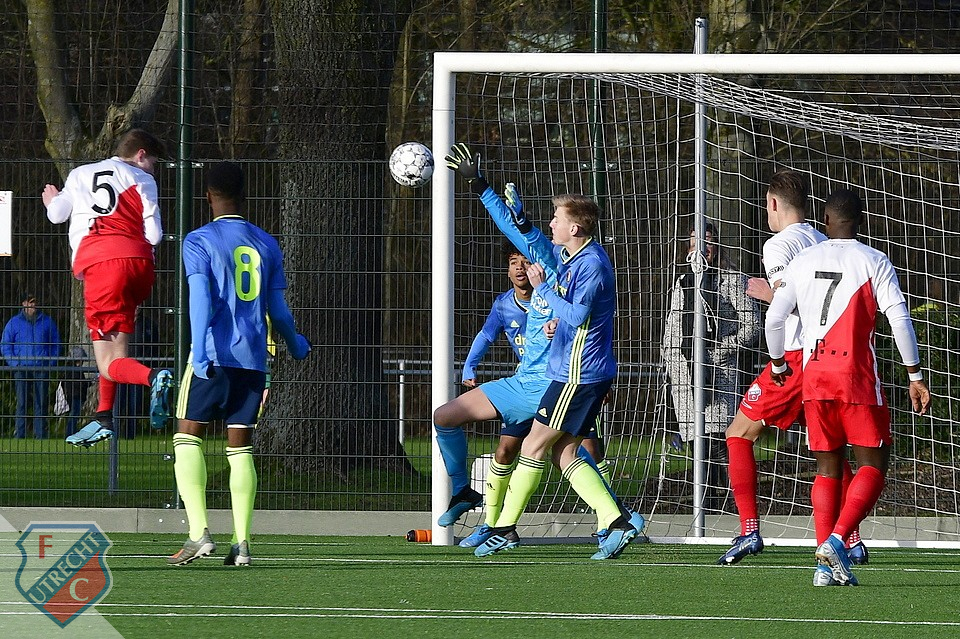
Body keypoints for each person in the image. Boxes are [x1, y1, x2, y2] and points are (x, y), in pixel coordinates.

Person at [445, 144, 640, 560]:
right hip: (568, 372)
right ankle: (617, 520)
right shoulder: (569, 257)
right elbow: (524, 236)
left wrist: (545, 294)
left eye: (557, 218)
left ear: (575, 228)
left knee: (533, 447)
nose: (550, 223)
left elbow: (578, 311)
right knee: (562, 452)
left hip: (575, 374)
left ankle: (502, 527)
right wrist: (483, 189)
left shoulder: (587, 264)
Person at [765, 188, 931, 586]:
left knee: (827, 469)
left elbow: (774, 318)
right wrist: (914, 375)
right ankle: (838, 542)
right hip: (856, 377)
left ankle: (824, 568)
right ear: (861, 221)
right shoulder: (873, 260)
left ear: (824, 221)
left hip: (814, 376)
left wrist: (777, 363)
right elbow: (899, 319)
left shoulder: (803, 260)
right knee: (873, 465)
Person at [167, 161, 310, 567]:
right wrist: (295, 343)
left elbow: (199, 298)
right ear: (244, 196)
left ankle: (199, 534)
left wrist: (199, 350)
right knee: (240, 444)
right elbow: (278, 310)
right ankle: (242, 543)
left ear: (208, 196)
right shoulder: (266, 242)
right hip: (252, 360)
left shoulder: (199, 240)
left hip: (213, 354)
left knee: (187, 435)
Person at [717, 168, 857, 565]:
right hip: (827, 356)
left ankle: (749, 531)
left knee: (737, 434)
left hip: (794, 358)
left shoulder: (778, 245)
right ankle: (851, 538)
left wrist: (768, 294)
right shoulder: (822, 239)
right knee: (830, 453)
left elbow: (788, 303)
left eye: (766, 206)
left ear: (774, 204)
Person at [42, 128, 175, 447]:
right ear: (140, 154)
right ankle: (104, 416)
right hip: (140, 267)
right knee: (116, 349)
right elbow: (154, 235)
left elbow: (57, 216)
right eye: (154, 162)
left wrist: (51, 200)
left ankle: (154, 378)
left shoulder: (79, 174)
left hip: (102, 266)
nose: (153, 169)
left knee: (107, 361)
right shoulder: (143, 179)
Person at [661, 222, 759, 512]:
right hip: (686, 376)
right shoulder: (682, 283)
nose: (700, 248)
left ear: (717, 246)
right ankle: (702, 509)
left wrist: (721, 350)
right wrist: (673, 358)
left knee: (719, 444)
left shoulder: (733, 281)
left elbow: (753, 326)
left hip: (719, 375)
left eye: (706, 241)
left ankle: (725, 509)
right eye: (694, 242)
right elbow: (672, 327)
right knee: (697, 447)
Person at [1, 293, 60, 439]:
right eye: (30, 302)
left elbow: (56, 344)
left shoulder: (47, 322)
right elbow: (6, 345)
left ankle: (40, 434)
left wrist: (49, 362)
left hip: (41, 367)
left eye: (35, 302)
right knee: (22, 402)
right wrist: (15, 364)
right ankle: (20, 433)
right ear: (24, 303)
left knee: (41, 402)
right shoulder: (14, 323)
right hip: (21, 368)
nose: (33, 305)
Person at [61, 344, 93, 437]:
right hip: (75, 395)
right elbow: (79, 383)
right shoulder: (74, 370)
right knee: (74, 414)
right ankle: (70, 432)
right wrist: (89, 382)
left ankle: (72, 431)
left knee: (75, 414)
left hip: (74, 394)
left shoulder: (71, 369)